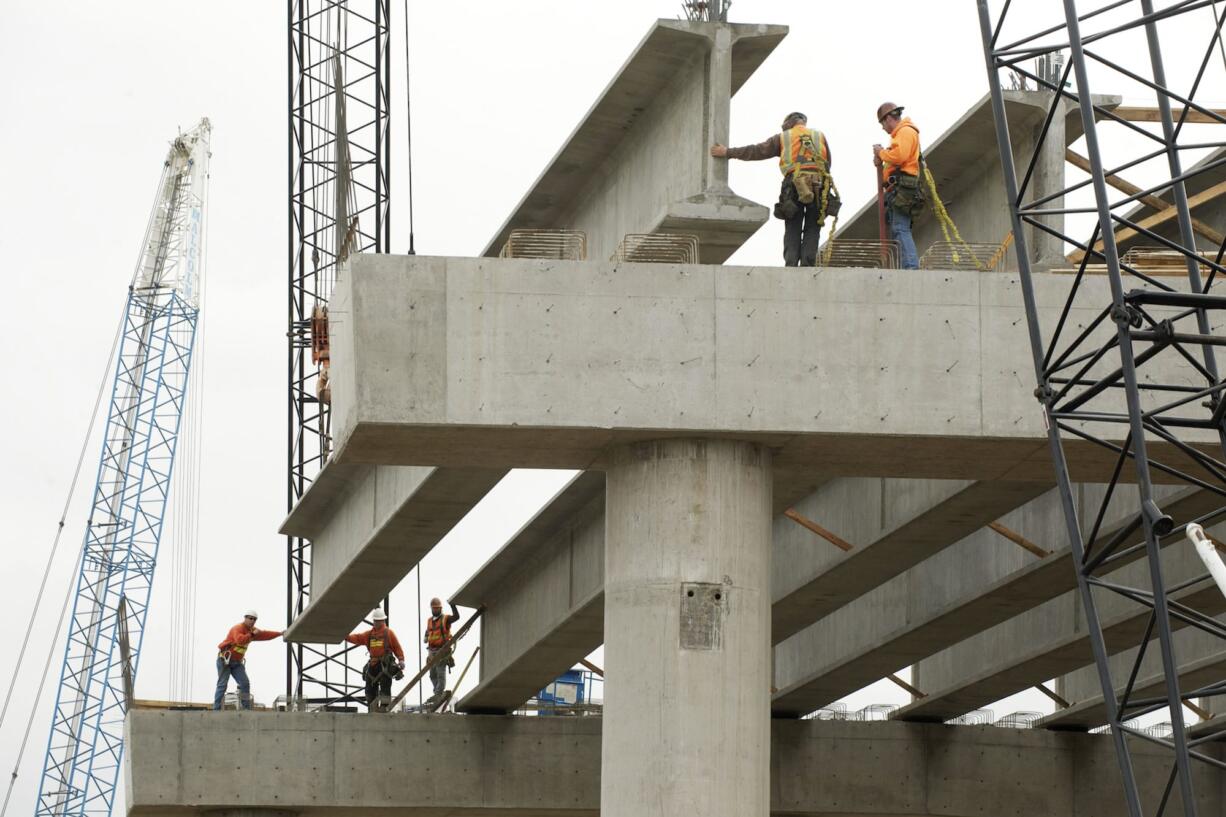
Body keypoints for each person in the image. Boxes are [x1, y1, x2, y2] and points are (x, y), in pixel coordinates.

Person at [709, 112, 837, 267]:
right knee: (813, 226)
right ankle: (807, 267)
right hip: (819, 186)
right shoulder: (819, 135)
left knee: (793, 224)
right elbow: (827, 162)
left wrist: (728, 152)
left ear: (788, 124)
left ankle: (791, 264)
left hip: (794, 185)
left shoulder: (784, 137)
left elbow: (757, 151)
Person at [873, 102, 922, 269]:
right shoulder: (900, 135)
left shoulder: (905, 131)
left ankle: (911, 267)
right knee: (897, 229)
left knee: (900, 228)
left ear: (888, 119)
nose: (883, 128)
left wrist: (881, 153)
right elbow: (895, 160)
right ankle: (907, 266)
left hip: (903, 187)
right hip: (898, 188)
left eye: (882, 123)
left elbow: (899, 156)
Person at [214, 609, 282, 710]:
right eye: (250, 618)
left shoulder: (252, 631)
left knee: (244, 683)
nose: (252, 621)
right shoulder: (238, 628)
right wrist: (252, 634)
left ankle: (247, 709)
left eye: (255, 619)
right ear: (245, 618)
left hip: (237, 663)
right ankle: (217, 709)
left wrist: (280, 633)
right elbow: (240, 640)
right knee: (222, 684)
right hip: (225, 660)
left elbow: (265, 634)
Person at [345, 608, 405, 711]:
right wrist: (346, 637)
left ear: (383, 621)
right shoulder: (369, 634)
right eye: (375, 620)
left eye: (378, 620)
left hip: (385, 665)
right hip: (373, 664)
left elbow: (396, 646)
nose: (376, 623)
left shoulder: (388, 633)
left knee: (385, 686)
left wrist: (401, 659)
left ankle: (384, 708)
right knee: (369, 688)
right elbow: (357, 638)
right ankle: (372, 708)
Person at [424, 597, 462, 703]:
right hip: (431, 651)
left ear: (440, 608)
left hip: (442, 650)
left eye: (437, 608)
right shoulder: (429, 620)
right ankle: (437, 692)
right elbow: (428, 631)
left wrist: (453, 605)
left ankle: (438, 693)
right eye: (434, 608)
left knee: (440, 672)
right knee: (432, 674)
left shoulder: (445, 619)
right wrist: (426, 636)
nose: (435, 610)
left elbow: (457, 617)